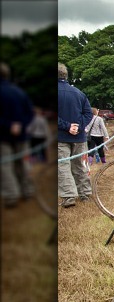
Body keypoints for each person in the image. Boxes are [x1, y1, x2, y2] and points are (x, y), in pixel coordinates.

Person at [57, 62, 93, 208]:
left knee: (63, 165)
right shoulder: (79, 93)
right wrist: (78, 126)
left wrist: (67, 126)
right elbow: (88, 113)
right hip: (79, 137)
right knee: (80, 165)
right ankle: (85, 193)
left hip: (60, 136)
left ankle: (69, 196)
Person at [0, 62, 35, 208]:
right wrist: (20, 125)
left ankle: (11, 195)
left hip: (3, 137)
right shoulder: (19, 92)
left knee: (5, 165)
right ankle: (27, 191)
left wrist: (9, 125)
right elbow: (30, 112)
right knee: (23, 164)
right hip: (22, 135)